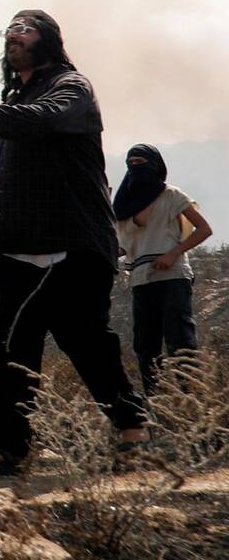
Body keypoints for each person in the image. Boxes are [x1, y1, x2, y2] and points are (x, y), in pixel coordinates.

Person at [0, 9, 147, 476]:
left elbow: (43, 121)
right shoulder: (18, 100)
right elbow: (6, 177)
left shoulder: (70, 88)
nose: (14, 35)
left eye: (25, 29)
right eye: (9, 30)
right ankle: (132, 426)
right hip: (26, 244)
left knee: (24, 340)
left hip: (69, 240)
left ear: (47, 40)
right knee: (75, 339)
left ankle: (7, 446)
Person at [113, 144, 212, 393]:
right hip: (140, 280)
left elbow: (203, 229)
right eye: (132, 162)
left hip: (172, 276)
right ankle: (157, 403)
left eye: (141, 162)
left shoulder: (171, 195)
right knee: (146, 347)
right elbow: (125, 246)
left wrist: (173, 253)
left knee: (180, 343)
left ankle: (192, 401)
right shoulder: (124, 203)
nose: (136, 167)